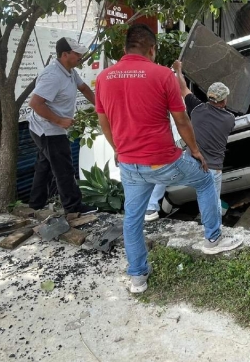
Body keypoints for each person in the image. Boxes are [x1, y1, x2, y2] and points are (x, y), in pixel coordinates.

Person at [95, 24, 242, 293]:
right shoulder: (161, 75)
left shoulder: (104, 78)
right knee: (206, 181)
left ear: (124, 48)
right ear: (151, 49)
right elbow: (182, 119)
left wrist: (117, 148)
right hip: (164, 160)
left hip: (130, 164)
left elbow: (104, 122)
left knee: (132, 219)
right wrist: (195, 151)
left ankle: (138, 278)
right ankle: (213, 239)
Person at [145, 63, 235, 223]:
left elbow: (182, 87)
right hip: (213, 169)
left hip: (191, 163)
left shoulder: (196, 108)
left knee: (162, 174)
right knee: (211, 203)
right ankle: (212, 231)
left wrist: (178, 70)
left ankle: (151, 208)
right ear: (223, 101)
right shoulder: (230, 119)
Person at [28, 37, 97, 215]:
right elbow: (35, 103)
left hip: (48, 127)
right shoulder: (53, 75)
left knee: (45, 165)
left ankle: (36, 204)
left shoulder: (70, 71)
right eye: (77, 53)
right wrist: (59, 120)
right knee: (63, 168)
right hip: (48, 129)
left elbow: (84, 89)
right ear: (65, 54)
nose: (81, 56)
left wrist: (101, 106)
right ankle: (73, 207)